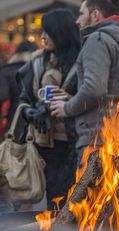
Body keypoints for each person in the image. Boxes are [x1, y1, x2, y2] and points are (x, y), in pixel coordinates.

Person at [50, 0, 119, 167]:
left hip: (97, 138)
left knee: (90, 193)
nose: (77, 21)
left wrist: (67, 107)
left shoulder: (97, 39)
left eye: (81, 14)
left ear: (95, 15)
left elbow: (94, 89)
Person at [17, 9, 80, 210]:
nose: (42, 37)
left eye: (47, 32)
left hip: (67, 147)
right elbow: (23, 100)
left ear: (60, 32)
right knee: (24, 198)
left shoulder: (81, 64)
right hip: (37, 144)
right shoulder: (36, 63)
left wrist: (69, 102)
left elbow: (91, 99)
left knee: (60, 204)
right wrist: (30, 112)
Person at [0, 41, 38, 137]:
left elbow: (2, 95)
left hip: (14, 120)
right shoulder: (39, 69)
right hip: (38, 122)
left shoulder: (7, 70)